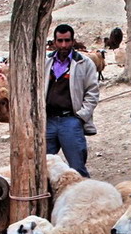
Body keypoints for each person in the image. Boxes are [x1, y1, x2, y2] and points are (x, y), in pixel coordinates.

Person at [43, 23, 100, 177]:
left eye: (67, 41)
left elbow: (92, 92)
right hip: (47, 120)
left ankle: (84, 198)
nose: (63, 45)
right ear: (54, 42)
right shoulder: (45, 62)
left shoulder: (84, 63)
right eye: (60, 41)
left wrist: (81, 116)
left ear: (73, 41)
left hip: (70, 120)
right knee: (43, 166)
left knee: (77, 167)